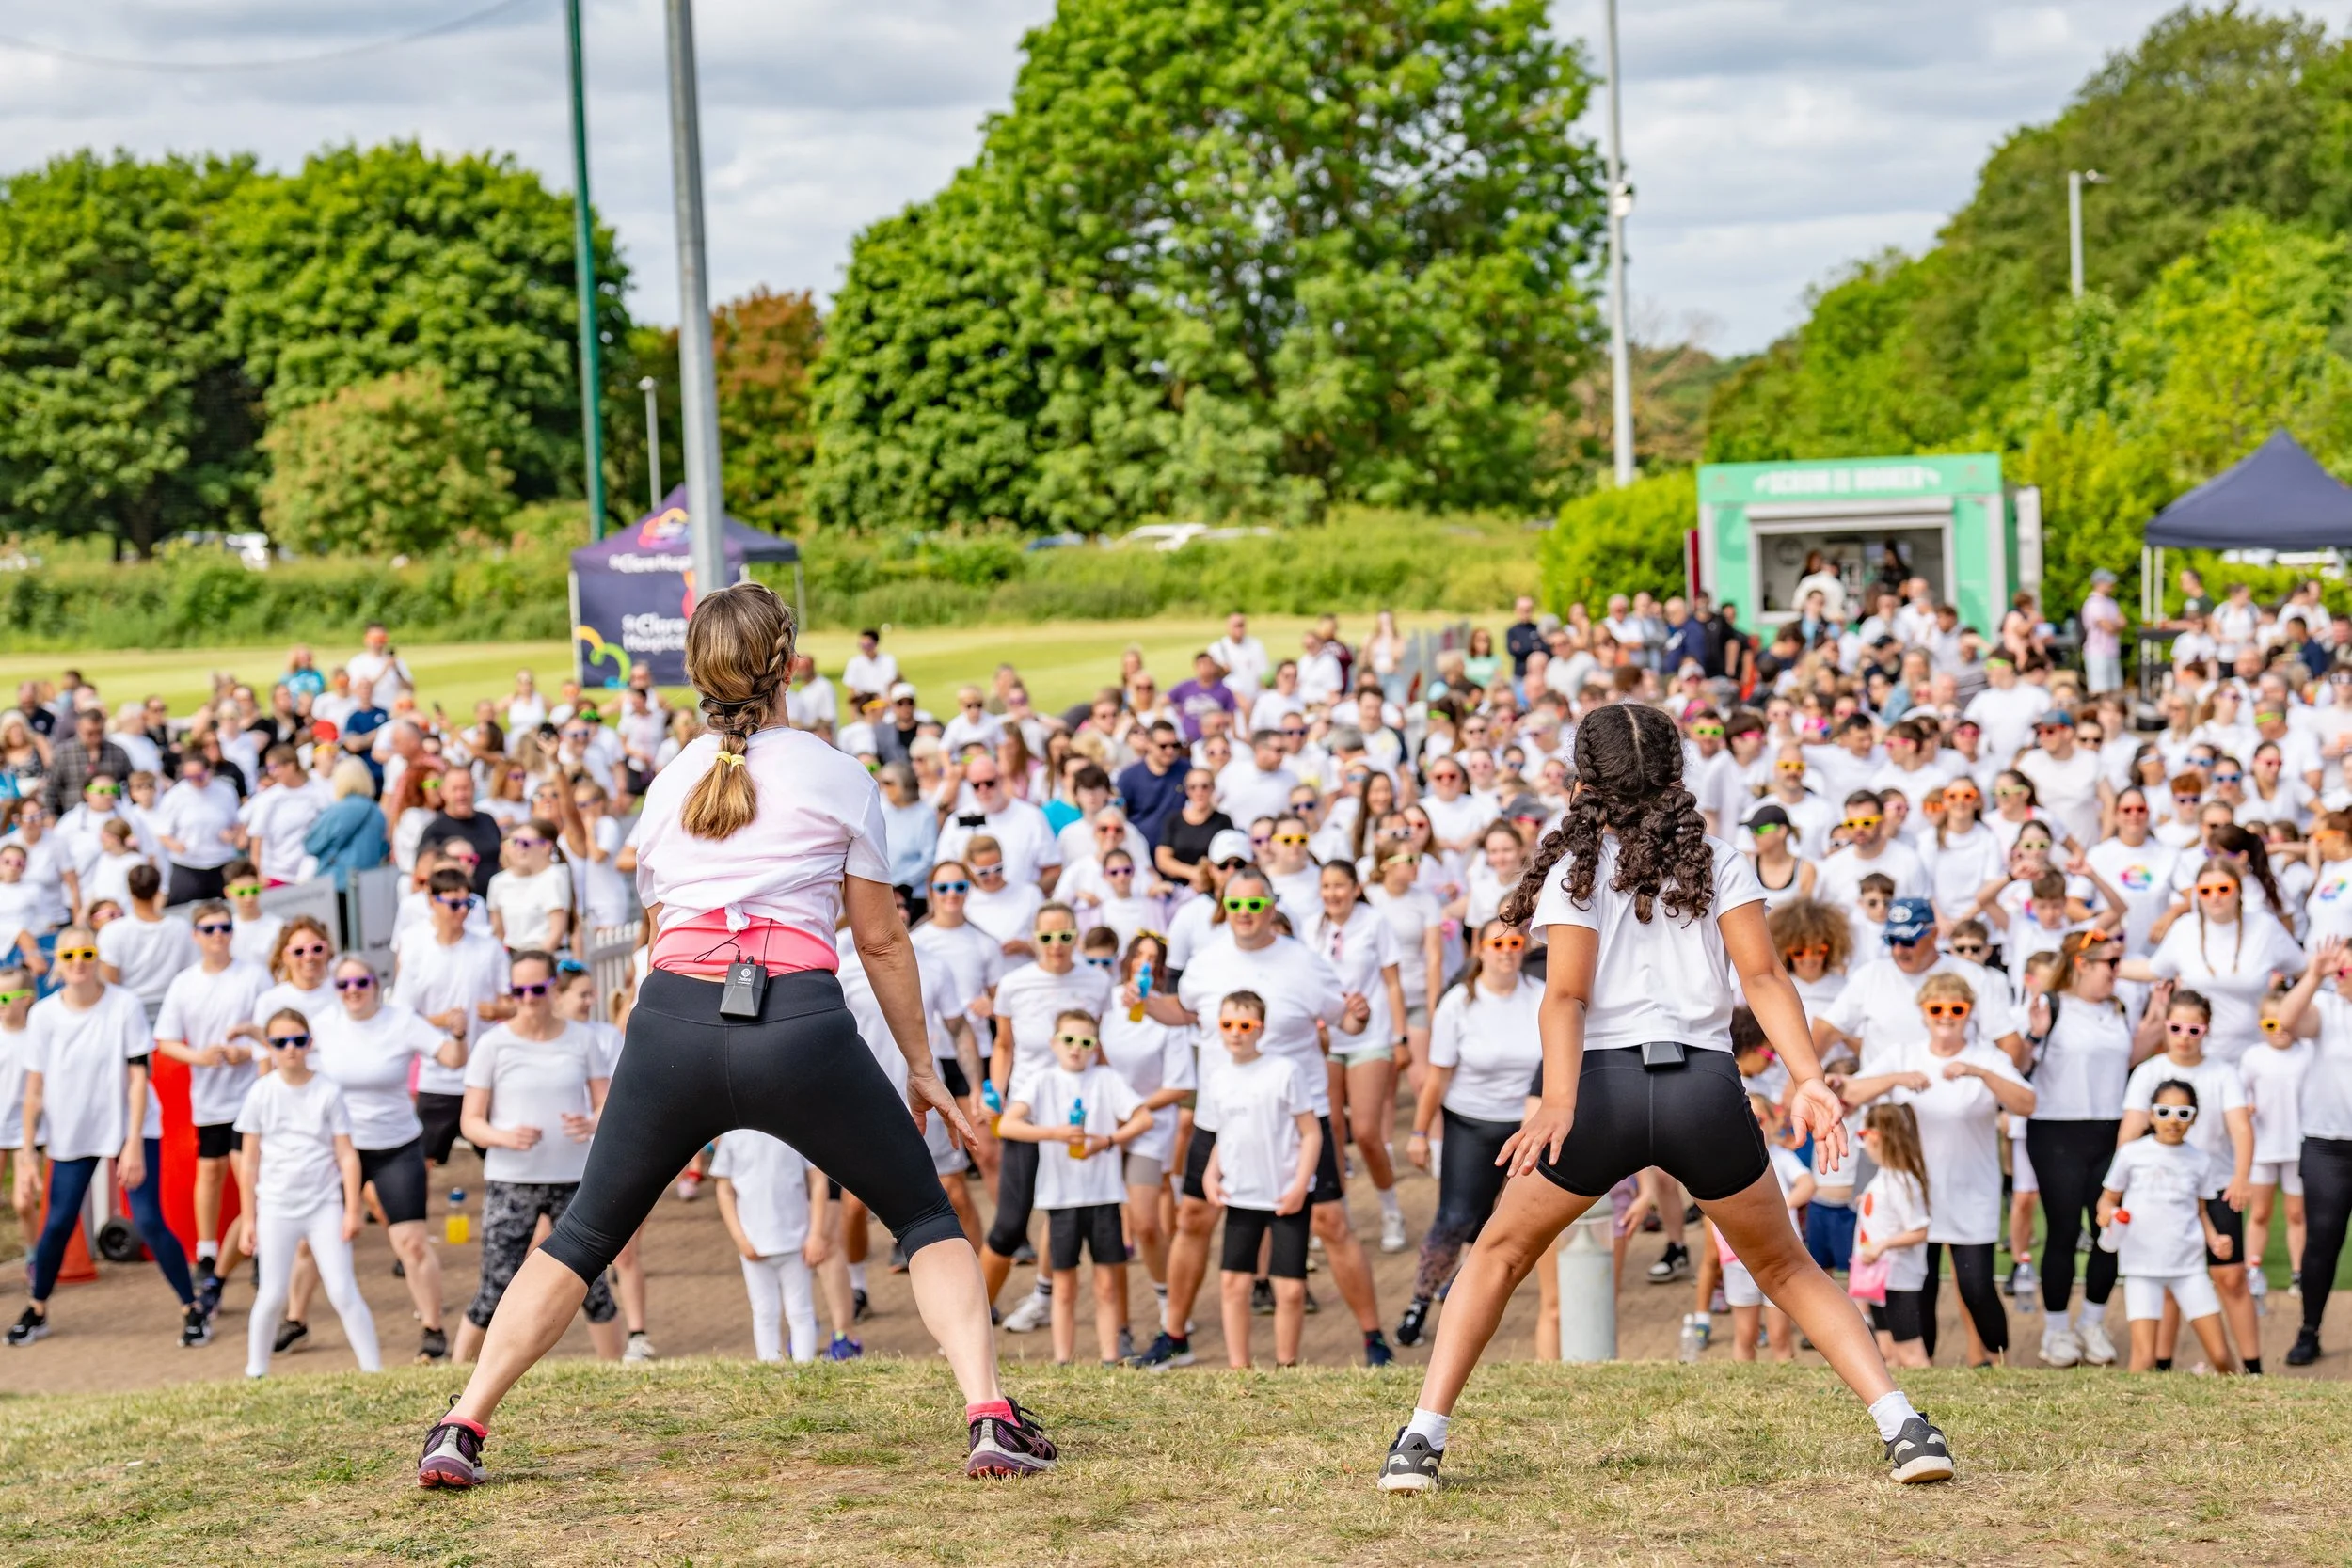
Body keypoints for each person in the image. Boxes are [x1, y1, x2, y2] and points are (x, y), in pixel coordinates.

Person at [416, 581, 1050, 1489]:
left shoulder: (672, 781)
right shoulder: (836, 772)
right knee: (921, 1217)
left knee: (583, 1235)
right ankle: (988, 1414)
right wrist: (922, 1065)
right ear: (790, 663)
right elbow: (878, 939)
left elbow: (655, 934)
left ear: (697, 673)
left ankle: (462, 1422)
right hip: (797, 1019)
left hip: (673, 1016)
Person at [1376, 702, 1952, 1495]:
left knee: (1499, 1253)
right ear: (1677, 775)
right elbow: (1763, 980)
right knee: (1787, 1266)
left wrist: (1556, 1098)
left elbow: (1567, 998)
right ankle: (1905, 1427)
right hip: (1705, 1089)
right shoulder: (1722, 856)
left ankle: (1419, 1443)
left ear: (1585, 779)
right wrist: (1810, 1077)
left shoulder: (1578, 870)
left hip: (1602, 1091)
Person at [1130, 866, 1393, 1370]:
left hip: (1297, 1118)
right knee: (1194, 1217)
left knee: (1331, 1222)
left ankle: (1372, 1337)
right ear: (1223, 908)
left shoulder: (1305, 963)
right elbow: (1182, 1013)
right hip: (1220, 1113)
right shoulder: (1205, 963)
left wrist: (1358, 1013)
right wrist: (1144, 1003)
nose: (1245, 915)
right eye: (1236, 905)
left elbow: (1350, 1020)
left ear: (1272, 906)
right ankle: (1174, 1333)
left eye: (1255, 905)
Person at [8, 928, 206, 1348]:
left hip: (131, 1127)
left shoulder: (125, 1005)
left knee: (149, 1220)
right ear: (57, 962)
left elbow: (138, 1079)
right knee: (58, 1223)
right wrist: (27, 1154)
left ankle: (192, 1309)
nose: (78, 961)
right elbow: (34, 1092)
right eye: (70, 954)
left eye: (87, 952)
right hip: (71, 1132)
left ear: (98, 956)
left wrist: (132, 1141)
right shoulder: (43, 1015)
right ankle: (37, 1307)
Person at [1836, 973, 2033, 1366]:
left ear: (1969, 1013)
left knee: (1977, 1286)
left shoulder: (1985, 1056)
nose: (1946, 1017)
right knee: (1917, 1285)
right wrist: (1895, 1079)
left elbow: (2027, 1103)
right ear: (1923, 1013)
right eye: (1936, 1009)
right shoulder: (1905, 1055)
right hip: (1915, 1193)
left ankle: (1999, 1362)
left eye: (1956, 1009)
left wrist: (1981, 1074)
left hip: (1972, 1188)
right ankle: (1924, 1370)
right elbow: (1851, 1094)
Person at [453, 951, 619, 1364]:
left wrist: (591, 1122)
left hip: (574, 1178)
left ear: (552, 989)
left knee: (591, 1285)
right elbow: (470, 1122)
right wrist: (505, 1137)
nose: (528, 999)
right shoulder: (493, 1044)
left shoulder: (581, 1039)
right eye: (519, 990)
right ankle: (455, 1375)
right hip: (512, 1180)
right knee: (496, 1285)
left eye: (537, 989)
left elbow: (607, 1104)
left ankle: (619, 1373)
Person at [1395, 918, 1540, 1347]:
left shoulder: (1540, 996)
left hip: (1525, 1126)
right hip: (1470, 1121)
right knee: (1455, 1218)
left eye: (1514, 942)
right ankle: (1419, 1302)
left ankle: (1463, 1296)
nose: (1506, 951)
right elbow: (1437, 1078)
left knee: (1502, 1225)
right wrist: (1419, 1133)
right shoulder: (1458, 1002)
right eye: (1496, 943)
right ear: (1479, 949)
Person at [980, 902, 1114, 1331]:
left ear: (1077, 937)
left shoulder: (1096, 981)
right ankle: (973, 1320)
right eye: (1047, 937)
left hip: (1076, 1121)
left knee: (1069, 1215)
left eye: (1065, 937)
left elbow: (1100, 1048)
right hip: (1029, 1115)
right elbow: (1003, 1046)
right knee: (1009, 1223)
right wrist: (994, 1094)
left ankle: (1049, 1301)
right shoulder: (1015, 984)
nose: (1056, 946)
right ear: (1034, 939)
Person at [994, 1009, 1152, 1365]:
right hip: (1061, 1197)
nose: (1076, 1049)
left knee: (1107, 1282)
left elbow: (1143, 1117)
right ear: (1054, 1044)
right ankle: (1063, 1359)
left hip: (1104, 1194)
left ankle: (1109, 1357)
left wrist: (1108, 1140)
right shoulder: (1042, 1080)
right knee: (1063, 1284)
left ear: (1096, 1046)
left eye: (1085, 1042)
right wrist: (1054, 1133)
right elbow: (1007, 1125)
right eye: (1068, 1040)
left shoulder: (1107, 1078)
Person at [234, 1010, 381, 1379]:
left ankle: (374, 1370)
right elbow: (249, 1161)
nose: (290, 1050)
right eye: (280, 1042)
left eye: (298, 1041)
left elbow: (347, 1155)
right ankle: (256, 1372)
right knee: (270, 1295)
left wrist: (352, 1208)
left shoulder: (327, 1090)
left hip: (323, 1204)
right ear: (268, 1046)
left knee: (342, 1289)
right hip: (276, 1205)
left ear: (309, 1043)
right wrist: (248, 1219)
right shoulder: (261, 1091)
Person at [2119, 987, 2258, 1373]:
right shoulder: (2149, 1072)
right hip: (2161, 1190)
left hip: (2214, 1183)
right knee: (2163, 1277)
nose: (2184, 1036)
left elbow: (2241, 1129)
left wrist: (2241, 1177)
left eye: (2194, 1029)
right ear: (2166, 1025)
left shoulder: (2222, 1073)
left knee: (2230, 1277)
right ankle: (2161, 1366)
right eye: (2176, 1027)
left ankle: (2253, 1366)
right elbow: (2129, 1133)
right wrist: (2122, 1186)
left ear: (2207, 1030)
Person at [153, 900, 273, 1311]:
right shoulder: (184, 983)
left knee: (250, 1175)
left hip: (250, 1097)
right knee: (211, 1171)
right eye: (208, 929)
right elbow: (166, 1040)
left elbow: (273, 1032)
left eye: (223, 927)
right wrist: (199, 1056)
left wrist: (245, 1053)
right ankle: (207, 1255)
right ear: (195, 936)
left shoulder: (254, 975)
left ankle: (258, 1247)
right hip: (209, 1098)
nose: (217, 935)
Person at [1200, 990, 1320, 1368]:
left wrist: (1301, 1184)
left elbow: (1311, 1132)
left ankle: (1287, 1364)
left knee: (1291, 1288)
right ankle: (1239, 1367)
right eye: (1227, 1024)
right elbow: (1224, 1134)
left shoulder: (1284, 1070)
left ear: (1260, 1028)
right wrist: (1210, 1173)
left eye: (1244, 1024)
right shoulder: (1217, 1077)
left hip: (1284, 1194)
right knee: (1233, 1282)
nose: (1236, 1033)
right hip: (1241, 1195)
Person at [1304, 859, 1411, 1253]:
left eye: (1339, 886)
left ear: (1354, 887)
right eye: (1326, 886)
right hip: (1327, 1037)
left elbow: (1393, 983)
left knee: (1365, 1132)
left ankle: (1390, 1208)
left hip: (1372, 1034)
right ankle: (1338, 1210)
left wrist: (1400, 1036)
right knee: (1329, 1127)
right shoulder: (1310, 927)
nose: (1332, 893)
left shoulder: (1374, 922)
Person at [2099, 1079, 2239, 1374]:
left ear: (2194, 1118)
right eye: (2164, 1112)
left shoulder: (2200, 1160)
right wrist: (2107, 1215)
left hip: (2187, 1266)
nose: (2173, 1120)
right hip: (2141, 1267)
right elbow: (2107, 1199)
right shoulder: (2131, 1154)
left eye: (2183, 1113)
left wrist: (2215, 1240)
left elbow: (2200, 1210)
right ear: (2151, 1115)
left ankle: (2240, 1412)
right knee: (2144, 1359)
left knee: (2222, 1356)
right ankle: (2122, 1418)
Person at [2260, 935, 2352, 1366]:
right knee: (2322, 1242)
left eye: (2346, 970)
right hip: (2327, 1146)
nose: (2342, 976)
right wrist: (2315, 973)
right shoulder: (2329, 1010)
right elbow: (2288, 1020)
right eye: (2340, 969)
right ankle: (2309, 1330)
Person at [711, 1127, 832, 1363]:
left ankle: (803, 1370)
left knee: (801, 1311)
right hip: (753, 1245)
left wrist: (816, 1234)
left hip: (796, 1242)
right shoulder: (733, 1136)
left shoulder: (794, 1129)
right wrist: (740, 1238)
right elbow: (724, 1189)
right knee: (765, 1311)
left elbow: (818, 1180)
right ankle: (770, 1367)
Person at [1852, 1102, 1934, 1370]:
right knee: (1888, 1351)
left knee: (1910, 1352)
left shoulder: (1901, 1181)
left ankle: (1931, 1400)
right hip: (1879, 1278)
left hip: (1898, 1277)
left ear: (1877, 1137)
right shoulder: (1886, 1177)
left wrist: (1882, 1244)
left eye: (1863, 1137)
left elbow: (1919, 1230)